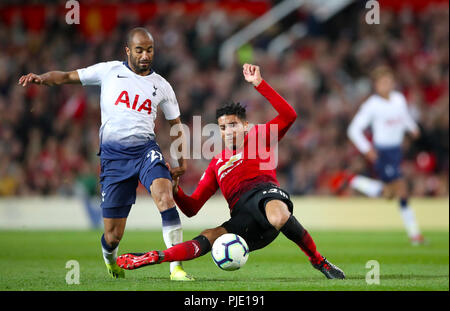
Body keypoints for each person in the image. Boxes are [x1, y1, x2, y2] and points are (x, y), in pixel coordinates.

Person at [116, 64, 345, 279]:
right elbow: (192, 208)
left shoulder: (259, 136)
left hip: (266, 195)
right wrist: (176, 190)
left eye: (233, 125)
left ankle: (318, 260)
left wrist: (259, 84)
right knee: (209, 235)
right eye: (223, 127)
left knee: (277, 215)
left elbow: (289, 115)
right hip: (244, 217)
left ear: (245, 126)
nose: (228, 131)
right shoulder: (217, 164)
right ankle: (158, 256)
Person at [18, 27, 193, 281]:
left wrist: (181, 161)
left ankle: (176, 267)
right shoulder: (109, 71)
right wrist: (42, 78)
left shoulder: (162, 86)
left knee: (165, 198)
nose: (145, 55)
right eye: (140, 50)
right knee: (113, 236)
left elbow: (175, 124)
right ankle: (110, 258)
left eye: (150, 50)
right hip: (114, 159)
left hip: (146, 150)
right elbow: (67, 76)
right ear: (128, 51)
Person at [347, 65, 425, 245]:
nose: (387, 85)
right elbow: (353, 130)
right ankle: (415, 235)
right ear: (376, 85)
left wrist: (412, 128)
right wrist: (367, 149)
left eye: (389, 81)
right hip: (382, 152)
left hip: (396, 151)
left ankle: (355, 181)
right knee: (402, 189)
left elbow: (404, 117)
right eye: (383, 82)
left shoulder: (398, 99)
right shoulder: (372, 105)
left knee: (389, 194)